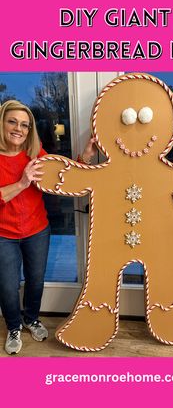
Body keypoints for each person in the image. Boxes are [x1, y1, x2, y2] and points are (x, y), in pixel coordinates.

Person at [0, 100, 96, 355]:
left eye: (24, 124)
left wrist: (85, 156)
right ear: (2, 124)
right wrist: (22, 183)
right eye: (12, 122)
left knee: (35, 281)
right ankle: (13, 326)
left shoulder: (35, 154)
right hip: (3, 236)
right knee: (7, 287)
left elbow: (64, 179)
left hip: (36, 231)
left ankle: (30, 319)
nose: (18, 129)